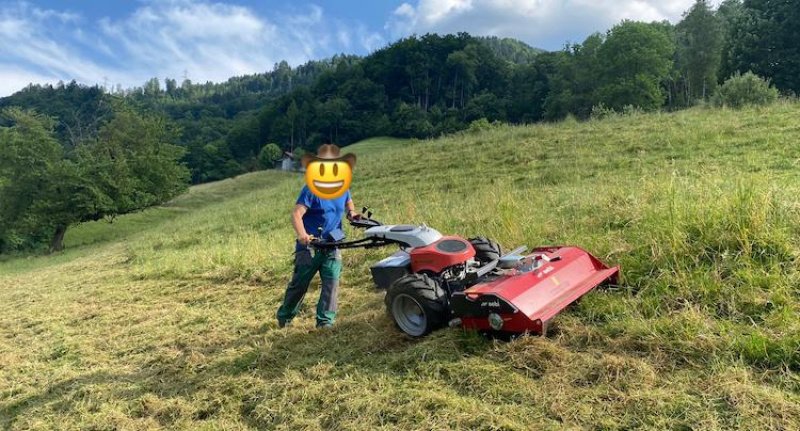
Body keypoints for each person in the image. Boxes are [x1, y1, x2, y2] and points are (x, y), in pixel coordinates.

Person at [276, 143, 359, 328]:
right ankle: (284, 317)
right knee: (299, 286)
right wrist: (302, 234)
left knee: (331, 284)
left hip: (332, 244)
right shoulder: (311, 190)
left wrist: (352, 213)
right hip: (310, 246)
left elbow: (349, 202)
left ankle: (325, 322)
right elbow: (297, 214)